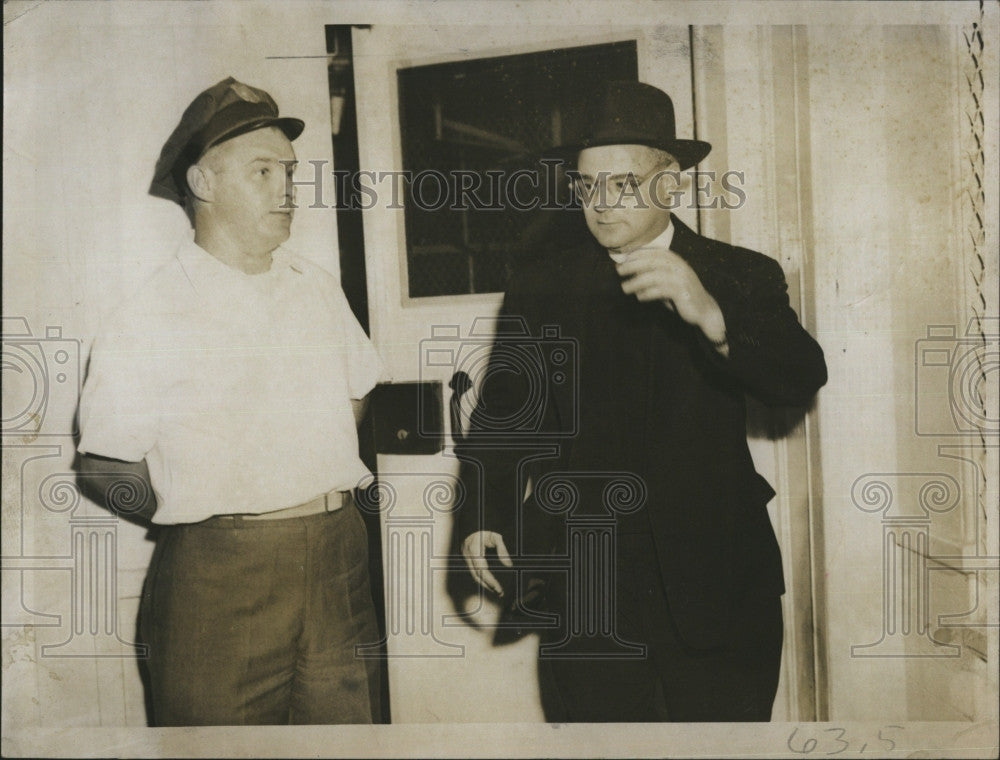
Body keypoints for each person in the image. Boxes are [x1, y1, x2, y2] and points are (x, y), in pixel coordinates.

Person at [457, 80, 827, 722]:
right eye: (585, 186)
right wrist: (482, 513)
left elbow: (800, 375)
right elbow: (504, 412)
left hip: (718, 586)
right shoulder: (545, 285)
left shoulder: (740, 272)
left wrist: (712, 317)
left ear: (672, 182)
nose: (599, 206)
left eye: (622, 184)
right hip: (589, 593)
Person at [77, 77, 383, 725]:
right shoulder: (151, 311)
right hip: (221, 578)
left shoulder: (315, 287)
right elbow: (104, 464)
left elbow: (355, 397)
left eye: (290, 171)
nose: (287, 187)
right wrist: (195, 512)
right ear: (204, 184)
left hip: (338, 559)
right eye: (263, 171)